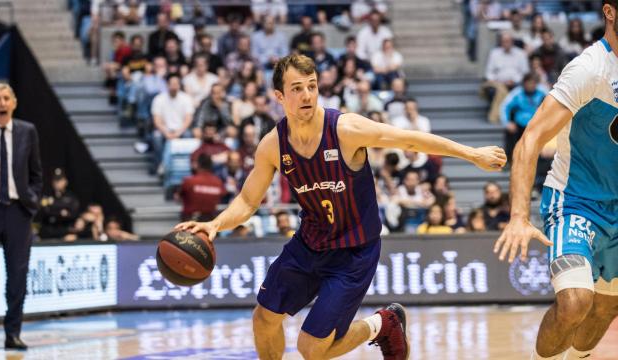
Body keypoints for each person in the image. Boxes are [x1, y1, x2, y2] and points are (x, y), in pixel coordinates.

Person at [175, 54, 506, 359]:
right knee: (263, 318)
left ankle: (384, 323)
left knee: (311, 348)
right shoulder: (273, 145)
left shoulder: (345, 129)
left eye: (312, 86)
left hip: (354, 251)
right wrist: (215, 224)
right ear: (280, 97)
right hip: (309, 244)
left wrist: (472, 154)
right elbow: (248, 200)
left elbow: (409, 139)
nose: (307, 95)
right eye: (296, 89)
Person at [494, 2, 618, 359]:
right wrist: (519, 216)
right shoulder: (589, 68)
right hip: (576, 200)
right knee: (575, 302)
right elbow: (530, 139)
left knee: (607, 308)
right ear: (609, 12)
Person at [0, 84, 42, 351]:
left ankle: (12, 333)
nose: (2, 103)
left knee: (17, 276)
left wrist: (32, 202)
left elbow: (36, 174)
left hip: (18, 213)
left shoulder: (28, 131)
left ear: (14, 102)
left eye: (6, 98)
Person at [38, 168, 80, 239]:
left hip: (65, 229)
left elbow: (74, 213)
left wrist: (53, 206)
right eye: (55, 180)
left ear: (65, 181)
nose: (57, 183)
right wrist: (61, 212)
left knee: (72, 236)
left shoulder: (70, 196)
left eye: (60, 180)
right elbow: (44, 211)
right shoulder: (47, 195)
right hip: (49, 230)